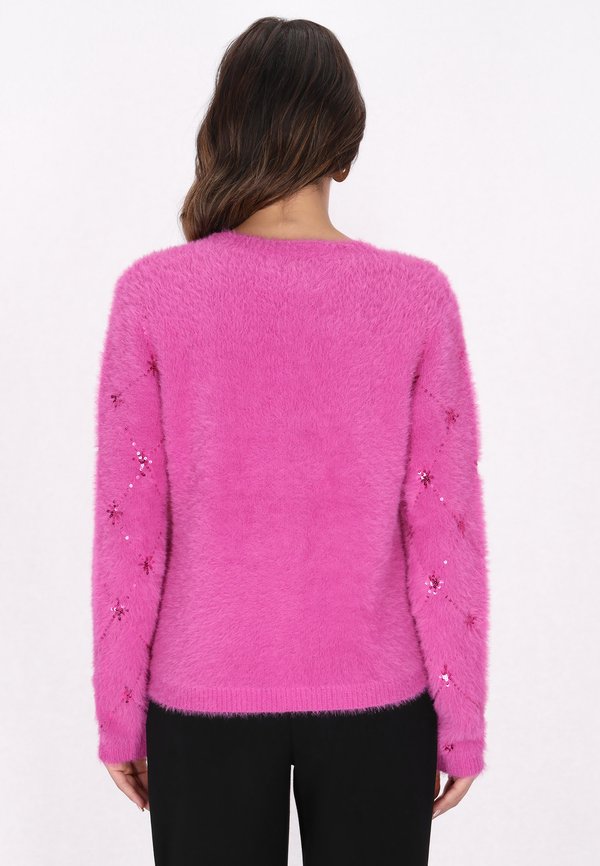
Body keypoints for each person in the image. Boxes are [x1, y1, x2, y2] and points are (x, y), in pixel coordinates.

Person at [91, 15, 490, 866]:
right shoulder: (417, 299)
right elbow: (444, 528)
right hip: (381, 707)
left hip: (200, 703)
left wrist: (120, 711)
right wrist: (462, 717)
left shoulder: (152, 295)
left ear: (226, 130)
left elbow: (131, 529)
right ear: (345, 145)